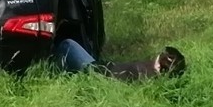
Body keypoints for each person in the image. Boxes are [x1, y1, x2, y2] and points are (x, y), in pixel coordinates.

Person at [53, 38, 186, 80]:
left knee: (68, 44)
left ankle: (55, 76)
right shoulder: (150, 76)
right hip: (101, 70)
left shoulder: (146, 69)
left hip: (95, 71)